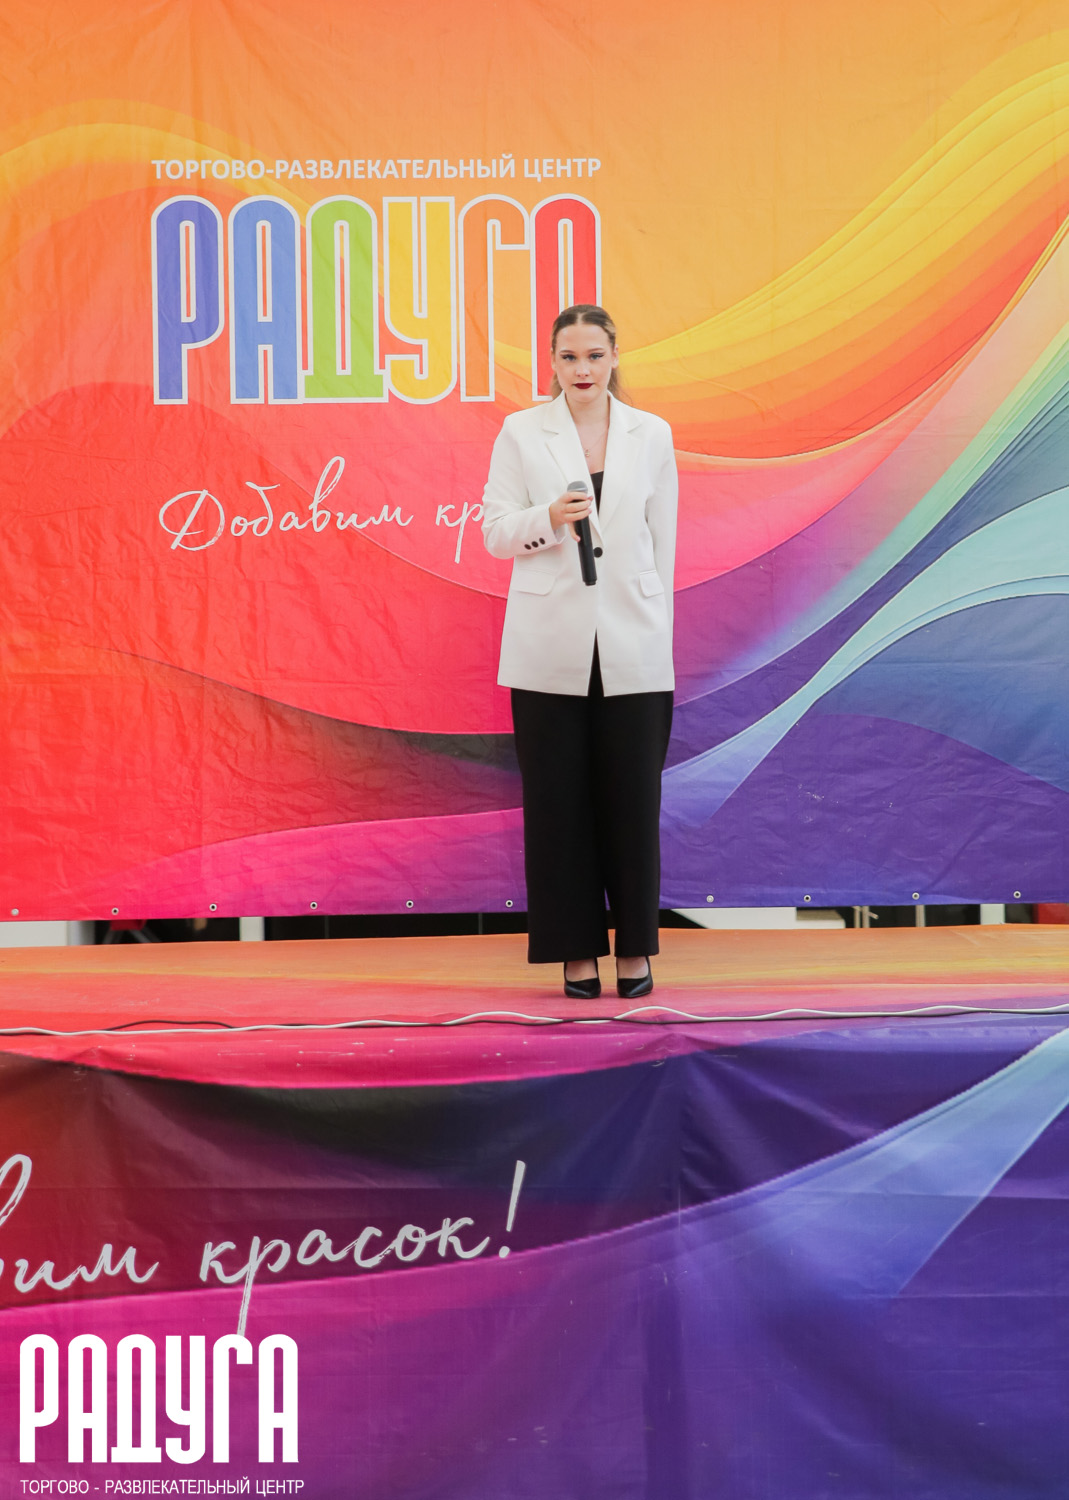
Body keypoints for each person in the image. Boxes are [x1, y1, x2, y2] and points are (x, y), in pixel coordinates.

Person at [481, 304, 677, 1000]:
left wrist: (658, 632)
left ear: (614, 357)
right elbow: (494, 532)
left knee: (633, 802)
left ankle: (635, 948)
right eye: (569, 357)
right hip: (546, 646)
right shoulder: (521, 431)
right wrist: (547, 519)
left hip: (634, 643)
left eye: (594, 355)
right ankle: (576, 952)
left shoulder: (651, 434)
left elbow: (662, 545)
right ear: (553, 362)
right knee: (558, 804)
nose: (583, 370)